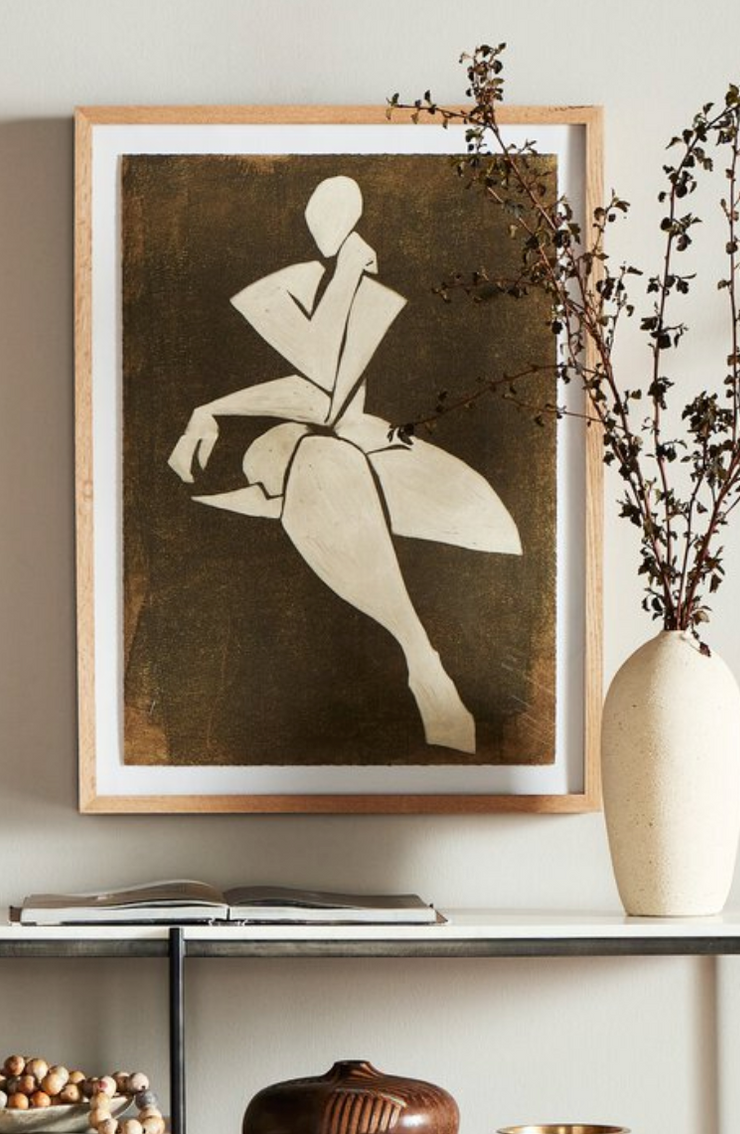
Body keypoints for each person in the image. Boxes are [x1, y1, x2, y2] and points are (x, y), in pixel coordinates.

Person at [168, 175, 521, 756]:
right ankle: (421, 657)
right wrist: (212, 411)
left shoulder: (351, 283)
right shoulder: (278, 288)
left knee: (461, 503)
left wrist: (350, 276)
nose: (340, 236)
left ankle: (429, 656)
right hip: (262, 454)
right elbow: (321, 389)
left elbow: (332, 398)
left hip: (332, 437)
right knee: (325, 463)